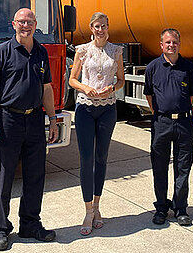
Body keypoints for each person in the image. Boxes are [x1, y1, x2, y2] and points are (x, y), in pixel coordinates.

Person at [0, 8, 59, 251]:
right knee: (4, 177)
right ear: (13, 24)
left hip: (35, 120)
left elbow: (47, 89)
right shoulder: (2, 52)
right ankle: (2, 229)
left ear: (36, 24)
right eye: (21, 22)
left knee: (36, 176)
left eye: (30, 22)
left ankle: (30, 225)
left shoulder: (41, 52)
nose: (26, 26)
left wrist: (53, 119)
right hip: (8, 122)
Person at [68, 12, 125, 236]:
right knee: (86, 159)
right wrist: (85, 88)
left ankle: (98, 207)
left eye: (103, 26)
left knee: (101, 158)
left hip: (107, 109)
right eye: (96, 26)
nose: (100, 29)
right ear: (91, 28)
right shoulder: (82, 50)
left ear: (108, 27)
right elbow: (72, 79)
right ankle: (87, 210)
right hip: (85, 108)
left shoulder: (116, 51)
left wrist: (112, 88)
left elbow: (121, 79)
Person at [144, 28, 193, 226]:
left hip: (184, 123)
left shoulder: (189, 68)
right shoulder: (152, 67)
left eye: (174, 42)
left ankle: (181, 208)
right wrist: (161, 114)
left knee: (183, 166)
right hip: (162, 123)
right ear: (161, 45)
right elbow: (149, 94)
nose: (171, 45)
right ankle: (161, 207)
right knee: (159, 166)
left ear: (179, 44)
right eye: (167, 42)